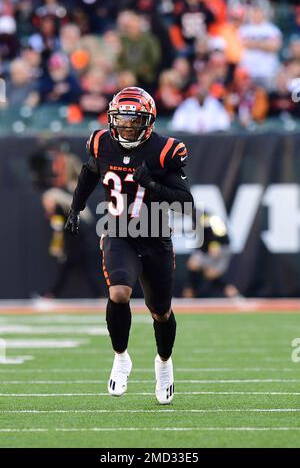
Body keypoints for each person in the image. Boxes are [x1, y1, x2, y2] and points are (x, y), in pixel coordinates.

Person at [64, 86, 194, 404]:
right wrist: (75, 207)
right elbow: (90, 172)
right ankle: (121, 357)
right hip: (118, 230)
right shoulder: (101, 142)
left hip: (155, 235)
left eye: (132, 121)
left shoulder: (165, 150)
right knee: (119, 292)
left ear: (147, 122)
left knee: (160, 312)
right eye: (120, 119)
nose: (125, 126)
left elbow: (185, 201)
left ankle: (163, 364)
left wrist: (151, 184)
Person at [182, 211, 241, 298]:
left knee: (211, 274)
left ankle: (232, 292)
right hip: (207, 249)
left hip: (220, 248)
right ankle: (190, 293)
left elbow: (214, 229)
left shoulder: (200, 215)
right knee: (194, 265)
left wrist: (214, 243)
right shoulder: (194, 216)